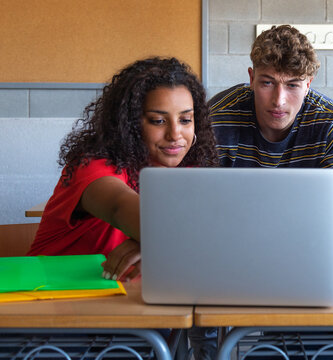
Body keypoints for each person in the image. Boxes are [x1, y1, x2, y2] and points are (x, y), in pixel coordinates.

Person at [27, 56, 218, 282]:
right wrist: (159, 240)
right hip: (50, 299)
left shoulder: (188, 172)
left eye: (185, 119)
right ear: (129, 124)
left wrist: (150, 243)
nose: (175, 134)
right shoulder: (91, 165)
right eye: (158, 121)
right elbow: (120, 207)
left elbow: (189, 235)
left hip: (125, 300)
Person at [209, 24, 333, 168]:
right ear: (252, 79)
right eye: (268, 83)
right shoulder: (216, 117)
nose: (278, 101)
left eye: (292, 85)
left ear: (308, 85)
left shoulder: (329, 123)